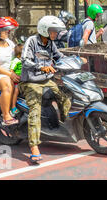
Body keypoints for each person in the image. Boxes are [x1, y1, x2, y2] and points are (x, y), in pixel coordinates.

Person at [19, 15, 87, 163]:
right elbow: (24, 60)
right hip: (31, 82)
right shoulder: (32, 41)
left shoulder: (50, 43)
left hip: (47, 81)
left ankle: (62, 125)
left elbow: (59, 56)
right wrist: (41, 67)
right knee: (35, 112)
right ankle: (34, 147)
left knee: (64, 97)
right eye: (53, 31)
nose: (55, 34)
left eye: (56, 31)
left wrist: (76, 59)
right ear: (44, 30)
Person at [9, 43, 23, 117]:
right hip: (18, 79)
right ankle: (13, 107)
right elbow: (11, 70)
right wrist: (15, 77)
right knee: (16, 91)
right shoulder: (16, 60)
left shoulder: (23, 59)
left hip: (24, 78)